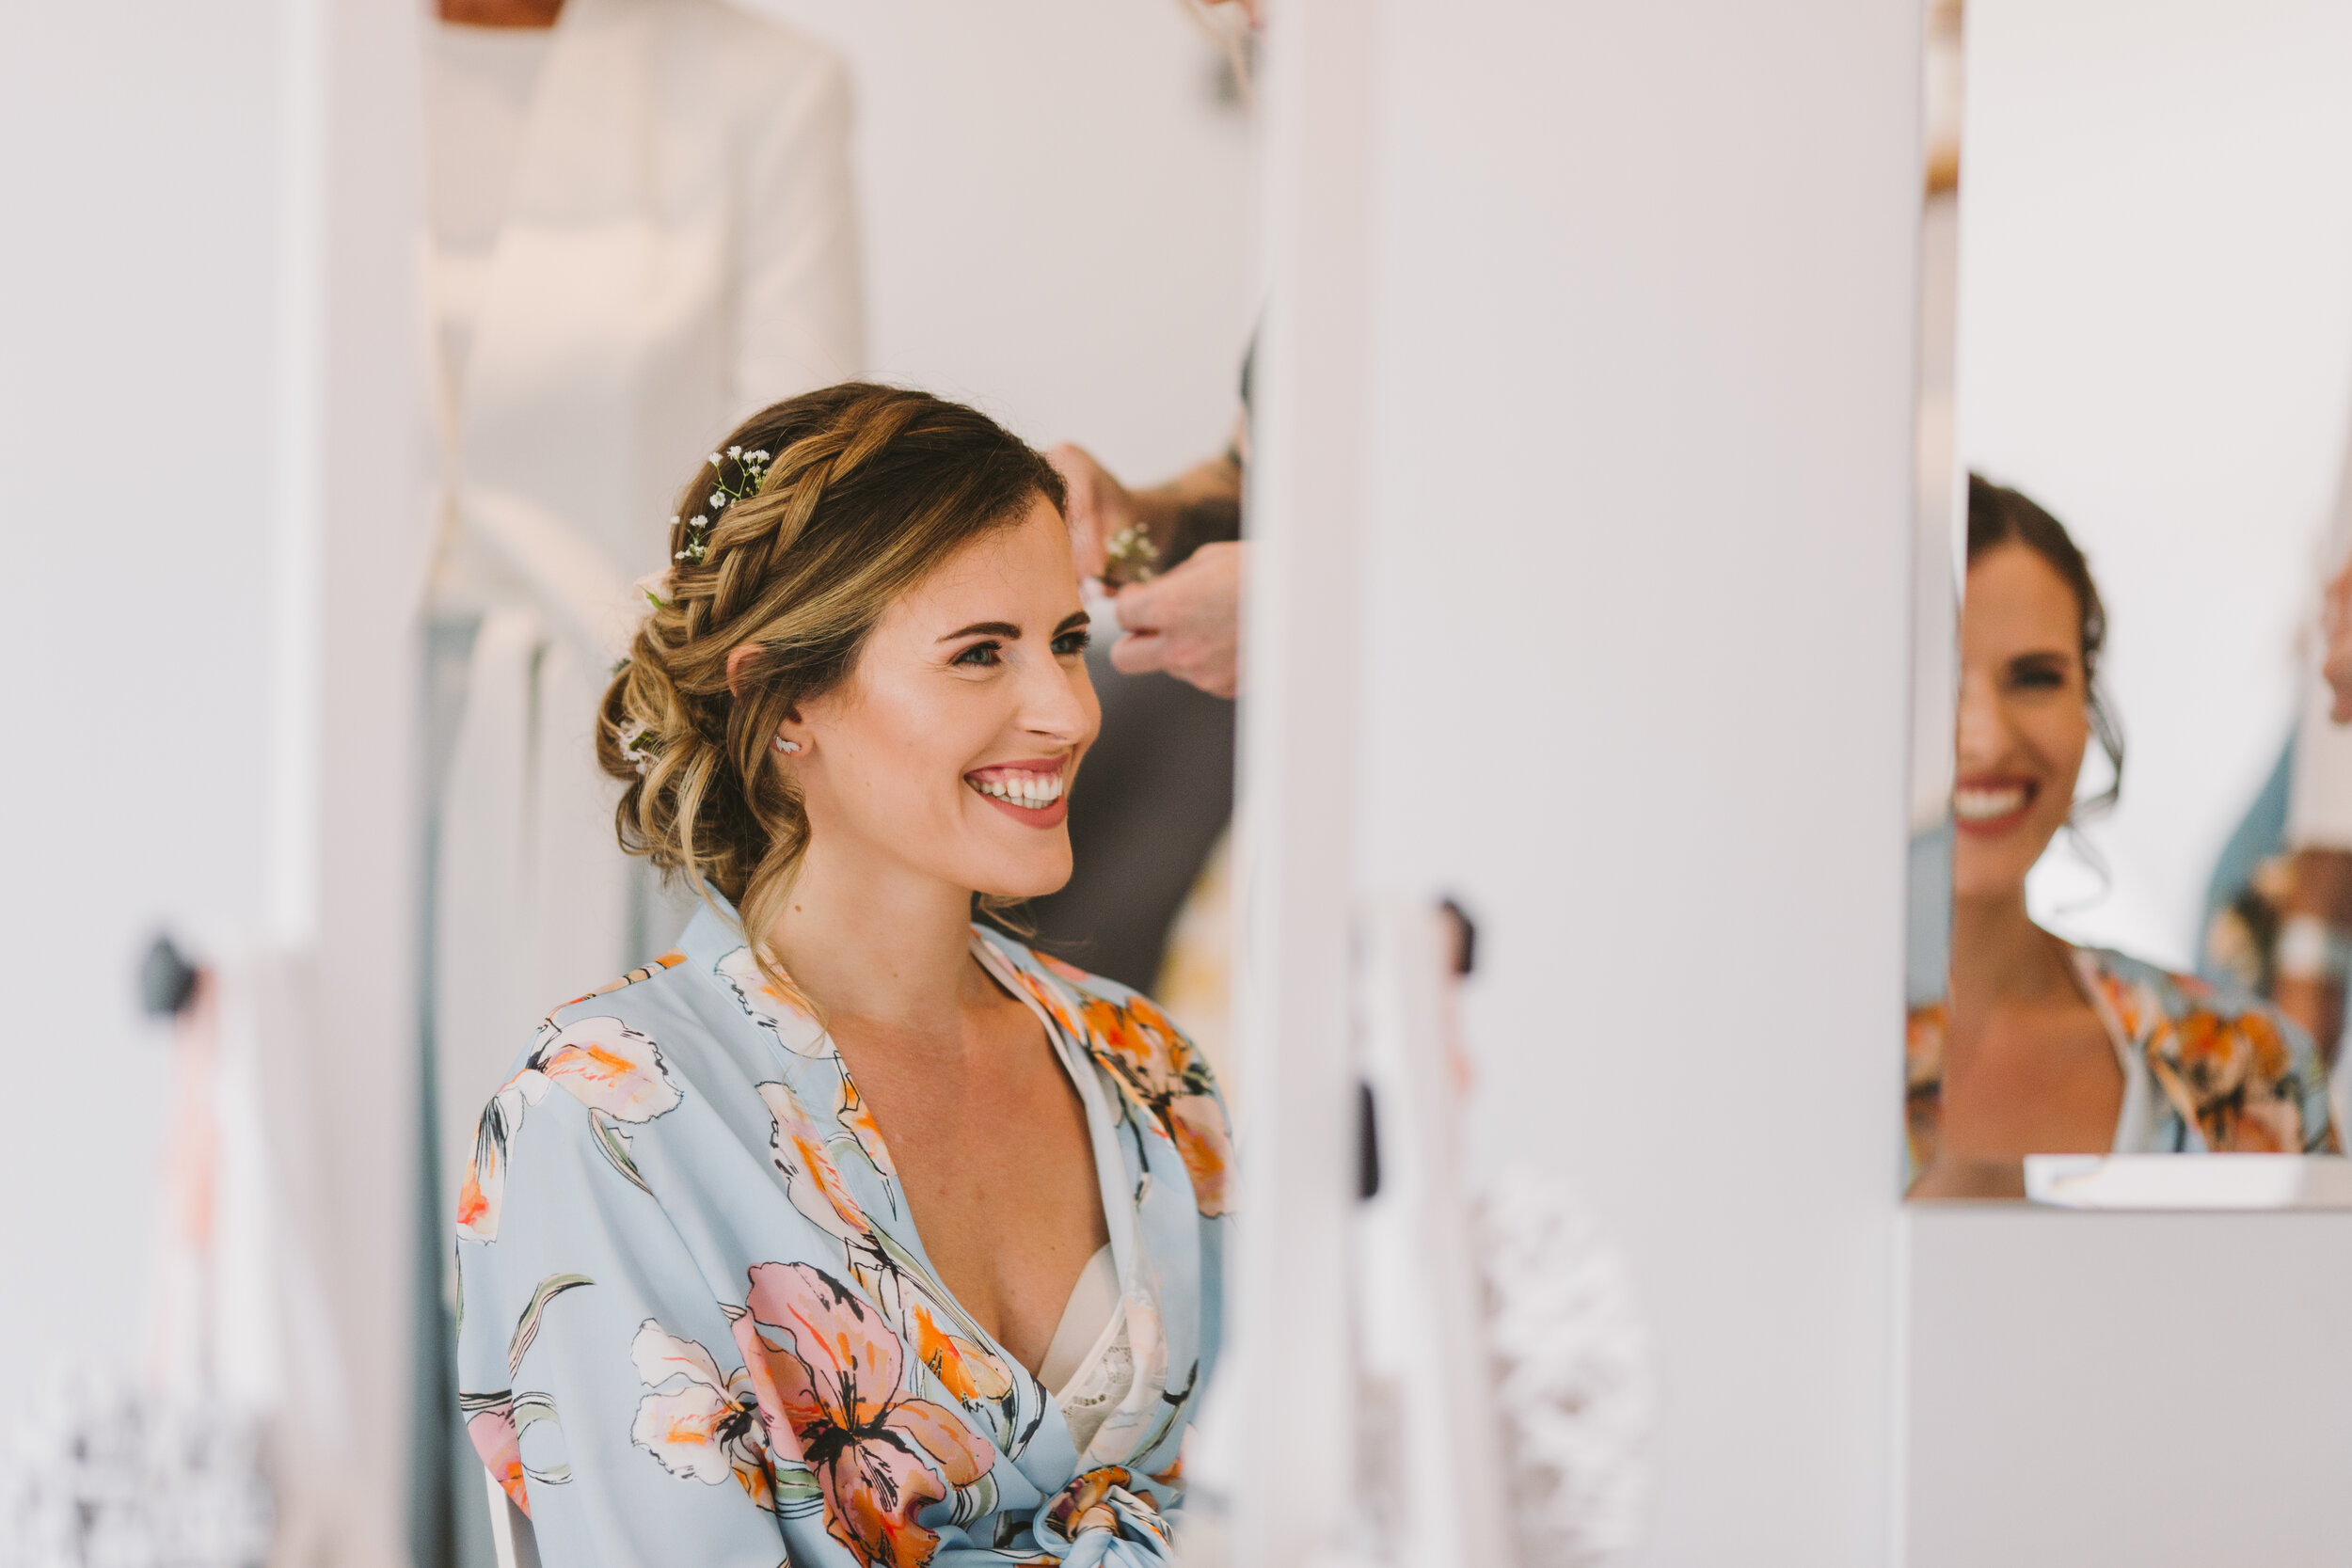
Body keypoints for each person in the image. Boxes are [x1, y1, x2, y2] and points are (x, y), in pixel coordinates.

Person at [453, 386, 1231, 1566]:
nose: (1067, 710)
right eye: (981, 653)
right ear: (784, 702)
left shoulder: (1151, 1070)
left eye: (1068, 643)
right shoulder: (605, 1115)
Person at [424, 0, 864, 1215]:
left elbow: (798, 499)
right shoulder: (303, 75)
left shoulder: (763, 91)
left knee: (602, 1230)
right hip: (342, 752)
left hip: (627, 768)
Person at [1906, 477, 2336, 1199]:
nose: (1984, 736)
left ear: (2089, 708)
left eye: (2036, 678)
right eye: (1936, 681)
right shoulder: (1741, 1063)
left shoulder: (2250, 1067)